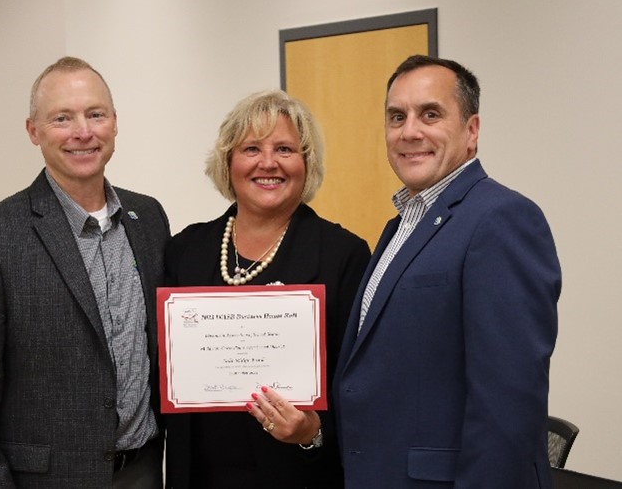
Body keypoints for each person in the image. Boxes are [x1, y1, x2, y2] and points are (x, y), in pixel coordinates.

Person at [0, 57, 169, 488]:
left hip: (144, 470)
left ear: (115, 123)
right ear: (33, 131)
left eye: (95, 114)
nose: (83, 132)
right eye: (62, 118)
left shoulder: (148, 218)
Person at [333, 54, 562, 488]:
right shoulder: (401, 225)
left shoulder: (501, 219)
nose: (409, 131)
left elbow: (507, 407)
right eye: (396, 117)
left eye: (430, 114)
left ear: (471, 131)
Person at [163, 89, 371, 489]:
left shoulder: (343, 254)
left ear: (306, 164)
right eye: (252, 148)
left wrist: (314, 432)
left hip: (299, 475)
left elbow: (360, 386)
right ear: (228, 161)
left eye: (285, 149)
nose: (268, 163)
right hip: (199, 475)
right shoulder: (185, 249)